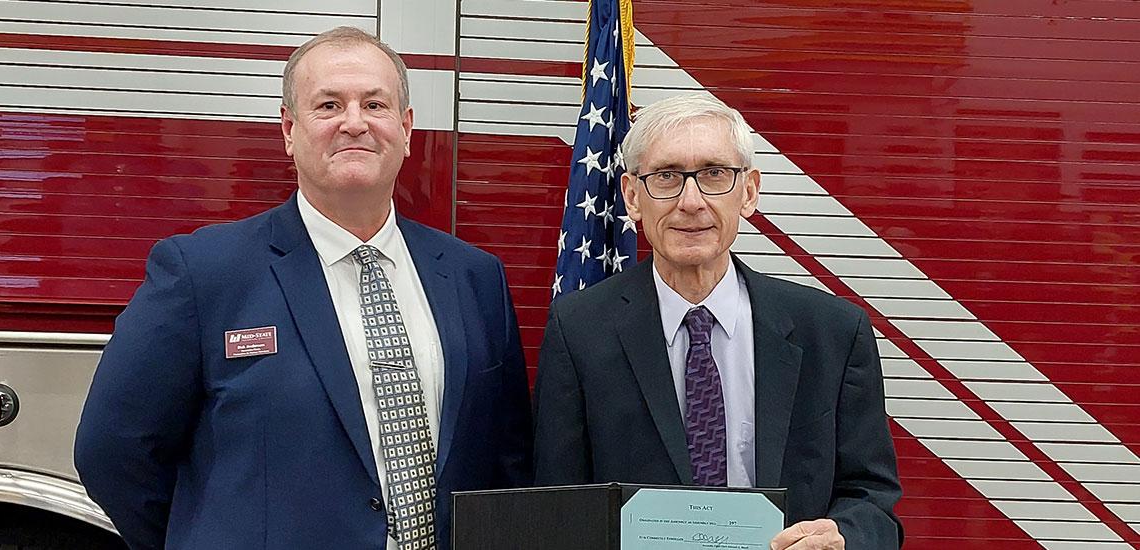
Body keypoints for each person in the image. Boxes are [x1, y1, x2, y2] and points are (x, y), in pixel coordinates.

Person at [74, 26, 532, 550]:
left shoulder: (474, 278)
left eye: (375, 105)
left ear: (406, 130)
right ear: (289, 130)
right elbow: (111, 451)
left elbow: (506, 460)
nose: (354, 123)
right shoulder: (203, 274)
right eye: (329, 105)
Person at [532, 93, 901, 549]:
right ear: (632, 197)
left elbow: (873, 500)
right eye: (666, 176)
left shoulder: (832, 332)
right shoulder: (579, 330)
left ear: (748, 192)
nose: (692, 201)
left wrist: (844, 537)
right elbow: (554, 505)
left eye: (713, 174)